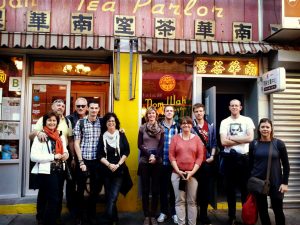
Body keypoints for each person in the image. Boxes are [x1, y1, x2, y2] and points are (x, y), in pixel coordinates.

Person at [29, 99, 73, 225]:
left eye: (63, 106)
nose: (61, 107)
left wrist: (67, 154)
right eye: (58, 105)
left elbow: (67, 145)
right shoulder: (41, 132)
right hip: (46, 169)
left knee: (56, 194)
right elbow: (33, 155)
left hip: (60, 168)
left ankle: (51, 217)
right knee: (48, 196)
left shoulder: (63, 128)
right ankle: (44, 219)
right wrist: (53, 156)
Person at [219, 99, 255, 225]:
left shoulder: (247, 120)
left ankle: (246, 217)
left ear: (241, 107)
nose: (234, 107)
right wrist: (242, 139)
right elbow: (223, 142)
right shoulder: (224, 122)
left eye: (236, 105)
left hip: (244, 159)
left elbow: (250, 138)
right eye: (232, 105)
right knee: (230, 190)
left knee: (245, 190)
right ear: (229, 107)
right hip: (229, 159)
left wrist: (232, 138)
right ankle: (232, 217)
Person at [249, 118, 290, 225]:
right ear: (259, 129)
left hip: (276, 182)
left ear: (271, 129)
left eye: (267, 127)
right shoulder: (254, 144)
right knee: (263, 211)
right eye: (262, 127)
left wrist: (285, 183)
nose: (265, 129)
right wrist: (251, 181)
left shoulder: (279, 144)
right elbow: (250, 164)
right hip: (258, 182)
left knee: (278, 211)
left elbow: (286, 165)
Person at [169, 116, 204, 225]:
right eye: (183, 123)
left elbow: (200, 157)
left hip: (192, 175)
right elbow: (171, 156)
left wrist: (191, 172)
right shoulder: (175, 138)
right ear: (180, 125)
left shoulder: (197, 139)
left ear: (191, 125)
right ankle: (181, 223)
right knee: (179, 201)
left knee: (192, 202)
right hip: (177, 174)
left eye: (188, 123)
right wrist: (178, 171)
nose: (186, 125)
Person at [97, 112, 130, 225]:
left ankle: (106, 217)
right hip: (106, 170)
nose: (111, 123)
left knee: (114, 195)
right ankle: (113, 219)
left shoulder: (121, 134)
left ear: (116, 123)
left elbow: (127, 151)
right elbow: (99, 155)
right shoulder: (102, 136)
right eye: (109, 121)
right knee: (109, 195)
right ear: (106, 123)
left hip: (119, 170)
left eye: (113, 121)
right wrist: (109, 165)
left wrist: (118, 164)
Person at [73, 100, 103, 225]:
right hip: (84, 160)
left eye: (96, 108)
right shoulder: (80, 123)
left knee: (95, 190)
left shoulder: (102, 123)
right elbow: (76, 143)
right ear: (88, 109)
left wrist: (121, 130)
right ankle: (79, 215)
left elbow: (113, 128)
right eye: (92, 108)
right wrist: (80, 161)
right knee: (80, 189)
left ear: (99, 109)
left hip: (97, 161)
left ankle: (92, 215)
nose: (94, 110)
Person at [138, 106, 164, 225]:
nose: (151, 115)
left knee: (155, 190)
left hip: (157, 162)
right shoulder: (142, 128)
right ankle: (146, 215)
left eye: (153, 113)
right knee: (145, 189)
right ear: (146, 115)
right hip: (144, 161)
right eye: (149, 114)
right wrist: (149, 155)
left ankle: (153, 215)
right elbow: (139, 144)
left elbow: (161, 146)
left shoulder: (161, 128)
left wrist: (155, 157)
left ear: (156, 115)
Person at [192, 103, 217, 225]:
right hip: (193, 163)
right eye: (196, 111)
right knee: (193, 190)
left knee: (205, 190)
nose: (198, 113)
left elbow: (213, 144)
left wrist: (212, 156)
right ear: (194, 113)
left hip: (207, 162)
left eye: (200, 111)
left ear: (204, 112)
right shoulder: (191, 127)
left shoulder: (210, 127)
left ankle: (204, 215)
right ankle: (193, 215)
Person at [65, 97, 88, 223]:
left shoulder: (91, 119)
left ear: (87, 107)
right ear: (75, 106)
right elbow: (70, 140)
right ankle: (72, 212)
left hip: (86, 158)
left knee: (81, 185)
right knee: (71, 184)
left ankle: (81, 212)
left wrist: (120, 130)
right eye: (78, 106)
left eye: (83, 106)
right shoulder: (69, 119)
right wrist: (73, 157)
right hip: (72, 158)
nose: (80, 108)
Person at [157, 105, 179, 224]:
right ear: (164, 113)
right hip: (162, 162)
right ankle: (164, 212)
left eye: (171, 111)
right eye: (167, 111)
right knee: (163, 189)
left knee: (174, 190)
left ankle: (174, 212)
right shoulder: (159, 126)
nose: (169, 112)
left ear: (174, 113)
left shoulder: (179, 126)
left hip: (175, 164)